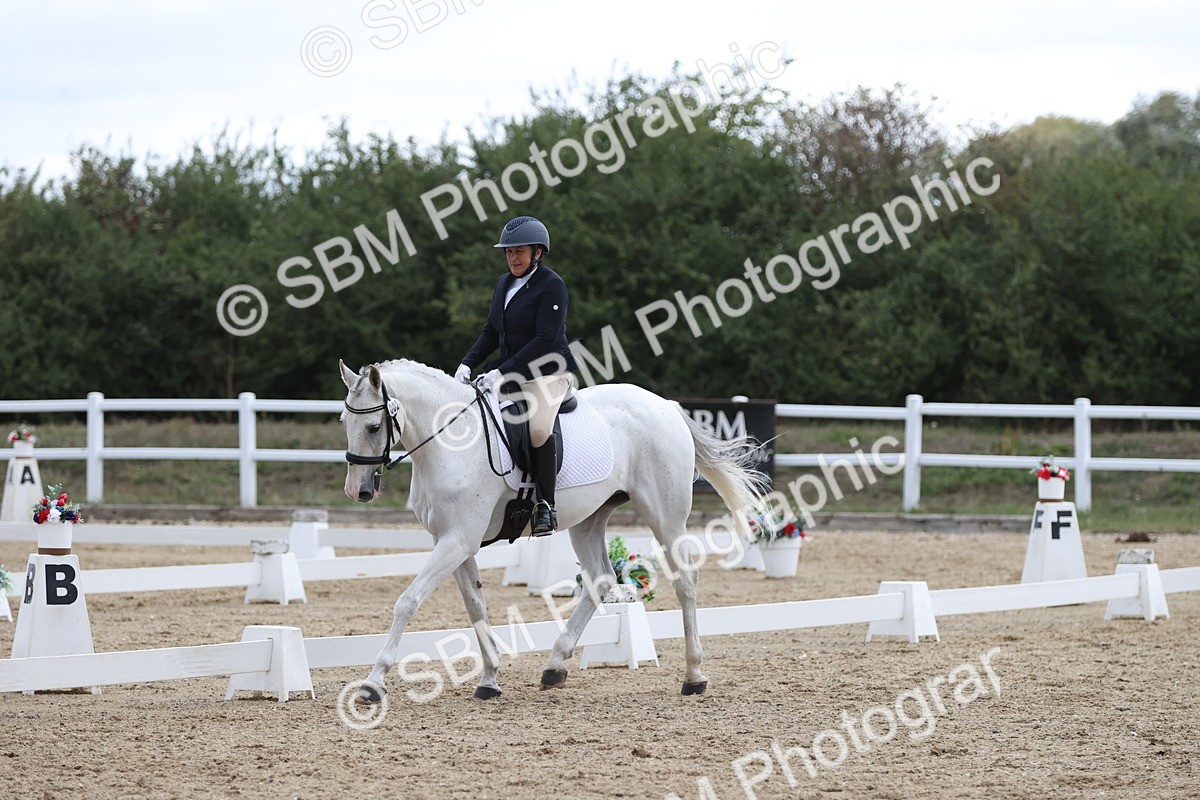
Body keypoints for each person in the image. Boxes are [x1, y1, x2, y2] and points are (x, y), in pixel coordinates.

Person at [455, 216, 578, 534]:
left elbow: (544, 341)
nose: (512, 258)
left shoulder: (552, 286)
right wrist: (468, 363)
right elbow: (490, 331)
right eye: (508, 252)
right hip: (508, 371)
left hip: (548, 372)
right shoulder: (504, 284)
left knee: (538, 429)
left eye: (519, 251)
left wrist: (501, 372)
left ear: (538, 253)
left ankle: (545, 507)